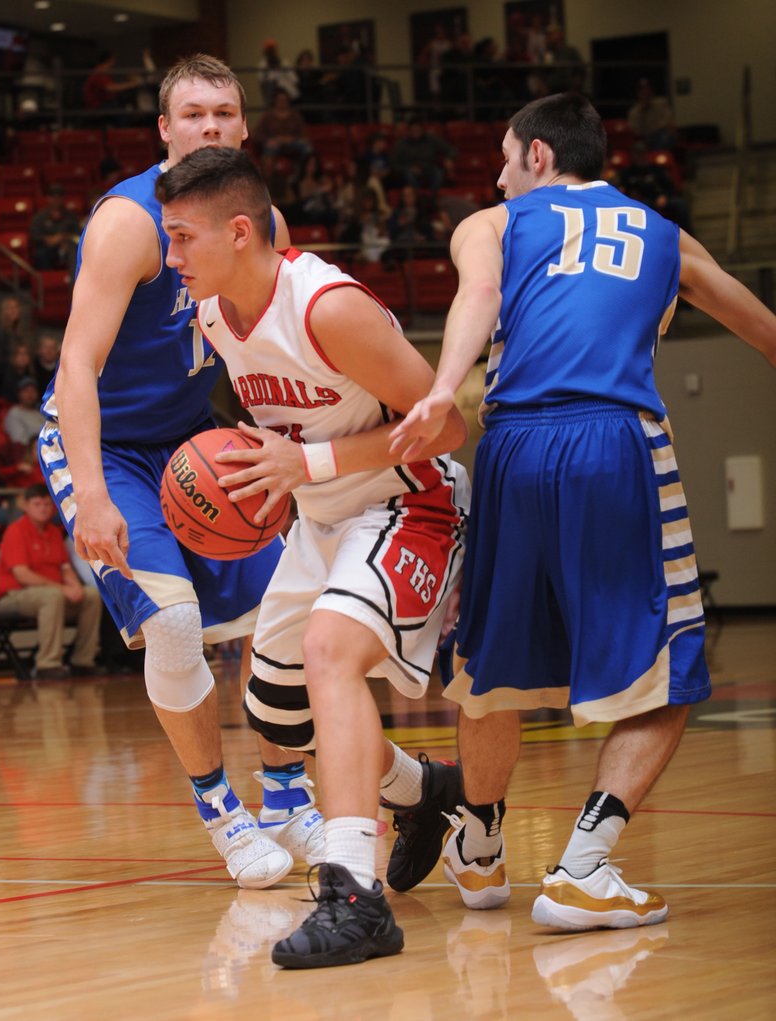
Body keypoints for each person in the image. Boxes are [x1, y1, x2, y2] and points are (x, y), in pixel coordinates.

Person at [390, 93, 776, 930]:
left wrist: (442, 386)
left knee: (491, 670)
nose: (495, 175)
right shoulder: (666, 237)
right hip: (612, 442)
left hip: (512, 443)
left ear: (537, 157)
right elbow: (763, 329)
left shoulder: (493, 224)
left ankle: (482, 849)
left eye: (502, 157)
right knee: (670, 672)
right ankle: (583, 866)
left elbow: (477, 299)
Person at [155, 145, 472, 968]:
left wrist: (310, 464)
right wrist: (263, 464)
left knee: (331, 652)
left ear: (237, 232)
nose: (171, 256)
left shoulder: (329, 307)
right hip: (320, 519)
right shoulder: (217, 314)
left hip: (409, 501)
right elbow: (286, 426)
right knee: (277, 717)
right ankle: (427, 792)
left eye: (183, 238)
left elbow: (446, 425)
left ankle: (353, 895)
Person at [38, 54, 324, 890]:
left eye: (223, 113)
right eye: (192, 113)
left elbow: (272, 344)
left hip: (195, 438)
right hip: (108, 447)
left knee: (289, 610)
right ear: (164, 130)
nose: (209, 126)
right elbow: (75, 366)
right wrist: (91, 493)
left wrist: (296, 454)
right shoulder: (132, 223)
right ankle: (221, 812)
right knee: (169, 623)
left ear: (244, 127)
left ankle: (284, 795)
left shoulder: (256, 218)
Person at [0, 483, 102, 680]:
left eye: (46, 504)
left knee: (91, 595)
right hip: (13, 595)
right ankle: (47, 665)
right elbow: (22, 575)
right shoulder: (16, 531)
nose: (43, 508)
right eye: (37, 504)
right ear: (25, 506)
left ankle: (82, 661)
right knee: (53, 596)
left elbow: (65, 568)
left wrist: (74, 585)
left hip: (52, 594)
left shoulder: (53, 532)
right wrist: (62, 588)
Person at [28, 184, 80, 272]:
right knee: (41, 254)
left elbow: (78, 235)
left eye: (59, 197)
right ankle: (47, 282)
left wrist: (64, 238)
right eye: (53, 197)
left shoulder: (71, 216)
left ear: (63, 199)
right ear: (48, 198)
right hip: (47, 248)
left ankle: (73, 282)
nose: (56, 200)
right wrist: (47, 239)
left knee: (74, 252)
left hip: (67, 247)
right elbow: (34, 235)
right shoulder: (40, 217)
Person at [628, 79, 677, 151]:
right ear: (638, 94)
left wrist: (655, 130)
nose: (646, 94)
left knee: (665, 138)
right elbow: (636, 130)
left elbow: (667, 121)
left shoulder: (662, 103)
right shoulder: (634, 112)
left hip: (661, 135)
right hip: (644, 138)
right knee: (638, 146)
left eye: (648, 91)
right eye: (643, 92)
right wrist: (642, 112)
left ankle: (657, 156)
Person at [3, 375, 44, 449]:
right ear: (19, 394)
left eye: (33, 391)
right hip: (27, 453)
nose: (30, 395)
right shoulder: (14, 413)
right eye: (26, 391)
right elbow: (19, 442)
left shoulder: (40, 413)